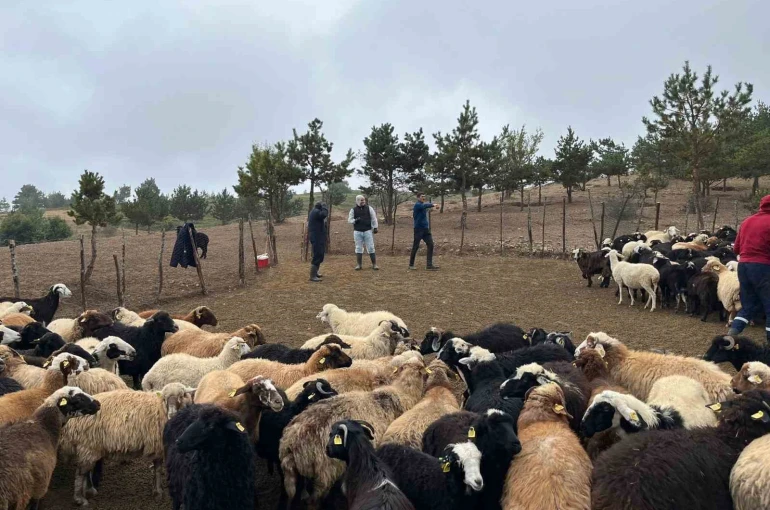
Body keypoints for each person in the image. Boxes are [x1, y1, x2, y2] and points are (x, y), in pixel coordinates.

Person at [728, 195, 770, 342]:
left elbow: (736, 248)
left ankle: (730, 338)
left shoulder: (747, 221)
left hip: (743, 267)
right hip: (763, 268)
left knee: (747, 307)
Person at [347, 195, 379, 270]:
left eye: (364, 200)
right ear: (357, 201)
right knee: (358, 247)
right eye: (361, 200)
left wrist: (375, 227)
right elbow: (349, 220)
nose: (363, 201)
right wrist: (355, 220)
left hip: (367, 231)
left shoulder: (369, 208)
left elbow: (374, 218)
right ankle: (359, 265)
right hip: (357, 231)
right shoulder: (353, 210)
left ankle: (374, 264)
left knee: (371, 247)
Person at [409, 193, 439, 270]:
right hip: (418, 229)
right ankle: (411, 265)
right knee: (415, 246)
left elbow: (426, 208)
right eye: (422, 196)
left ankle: (429, 265)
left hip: (425, 229)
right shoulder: (417, 205)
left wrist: (434, 207)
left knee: (431, 244)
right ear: (418, 198)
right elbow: (424, 206)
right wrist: (433, 204)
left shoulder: (422, 205)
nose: (424, 198)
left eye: (424, 196)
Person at [307, 201, 328, 282]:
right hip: (316, 236)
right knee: (317, 255)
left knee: (320, 254)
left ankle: (315, 273)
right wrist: (325, 207)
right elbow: (324, 214)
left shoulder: (315, 211)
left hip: (318, 236)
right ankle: (312, 276)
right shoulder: (315, 212)